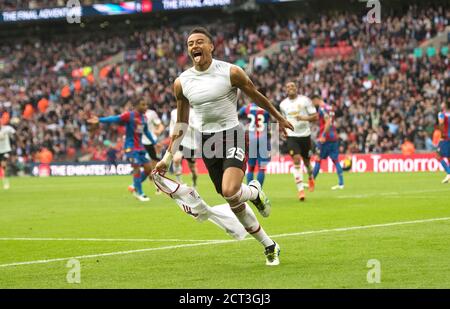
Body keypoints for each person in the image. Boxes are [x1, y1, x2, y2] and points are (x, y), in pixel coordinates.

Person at [154, 27, 294, 266]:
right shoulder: (182, 82)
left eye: (200, 42)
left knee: (230, 191)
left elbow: (255, 94)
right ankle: (269, 244)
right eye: (190, 44)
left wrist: (278, 117)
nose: (194, 46)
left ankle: (253, 191)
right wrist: (167, 158)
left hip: (232, 135)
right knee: (232, 200)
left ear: (211, 46)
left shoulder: (231, 72)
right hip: (207, 142)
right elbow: (182, 122)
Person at [88, 99, 157, 202]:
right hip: (130, 147)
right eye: (143, 104)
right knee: (136, 167)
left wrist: (154, 142)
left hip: (140, 148)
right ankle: (139, 193)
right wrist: (100, 120)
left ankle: (134, 185)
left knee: (148, 169)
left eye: (147, 104)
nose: (146, 106)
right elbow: (115, 118)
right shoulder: (129, 115)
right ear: (136, 106)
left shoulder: (145, 118)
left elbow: (146, 131)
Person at [279, 82, 318, 201]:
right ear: (286, 90)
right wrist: (283, 130)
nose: (291, 88)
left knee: (307, 163)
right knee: (296, 160)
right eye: (288, 87)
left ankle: (310, 177)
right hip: (292, 136)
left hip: (305, 135)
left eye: (293, 86)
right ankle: (300, 190)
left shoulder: (305, 100)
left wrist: (303, 118)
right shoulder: (283, 104)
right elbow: (283, 119)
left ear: (296, 88)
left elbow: (315, 116)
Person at [311, 95, 344, 190]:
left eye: (313, 102)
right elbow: (332, 121)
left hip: (325, 138)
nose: (313, 104)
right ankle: (341, 183)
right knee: (336, 160)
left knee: (318, 158)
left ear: (316, 100)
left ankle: (311, 181)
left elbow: (328, 122)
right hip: (334, 136)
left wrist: (323, 135)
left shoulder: (322, 108)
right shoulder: (330, 108)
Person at [239, 102, 271, 187]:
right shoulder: (266, 106)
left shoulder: (247, 107)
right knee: (262, 168)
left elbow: (237, 115)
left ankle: (250, 190)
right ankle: (258, 191)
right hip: (263, 139)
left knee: (250, 167)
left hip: (251, 139)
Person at [169, 107, 199, 188]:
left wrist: (188, 123)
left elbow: (197, 126)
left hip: (191, 144)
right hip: (179, 141)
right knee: (176, 159)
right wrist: (171, 135)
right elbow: (172, 124)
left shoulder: (193, 112)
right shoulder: (174, 112)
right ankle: (179, 182)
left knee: (192, 168)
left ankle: (194, 183)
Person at [437, 101, 450, 184]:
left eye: (442, 103)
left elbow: (441, 123)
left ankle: (449, 172)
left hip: (445, 137)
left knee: (437, 155)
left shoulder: (441, 114)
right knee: (449, 157)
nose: (441, 104)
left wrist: (442, 134)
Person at [0, 122, 16, 190]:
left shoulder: (7, 128)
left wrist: (12, 137)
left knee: (3, 165)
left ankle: (6, 182)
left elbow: (14, 133)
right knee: (3, 166)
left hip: (6, 150)